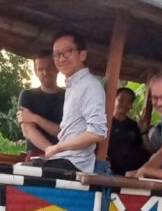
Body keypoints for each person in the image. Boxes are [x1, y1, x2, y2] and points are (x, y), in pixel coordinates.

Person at [24, 31, 106, 172]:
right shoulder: (73, 86)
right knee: (21, 169)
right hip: (64, 159)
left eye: (67, 52)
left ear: (82, 55)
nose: (61, 58)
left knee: (19, 175)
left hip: (74, 164)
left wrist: (57, 147)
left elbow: (97, 132)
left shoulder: (90, 85)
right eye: (56, 54)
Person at [18, 53, 65, 159]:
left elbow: (63, 131)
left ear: (57, 68)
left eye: (49, 68)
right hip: (36, 157)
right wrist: (54, 152)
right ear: (35, 72)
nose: (45, 72)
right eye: (40, 69)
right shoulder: (27, 95)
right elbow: (27, 130)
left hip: (64, 156)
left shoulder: (69, 96)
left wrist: (35, 118)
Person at [108, 87, 151, 175]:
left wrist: (143, 132)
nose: (124, 104)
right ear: (114, 100)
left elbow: (148, 150)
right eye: (121, 100)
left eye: (129, 101)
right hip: (108, 171)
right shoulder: (105, 122)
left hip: (130, 173)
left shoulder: (134, 125)